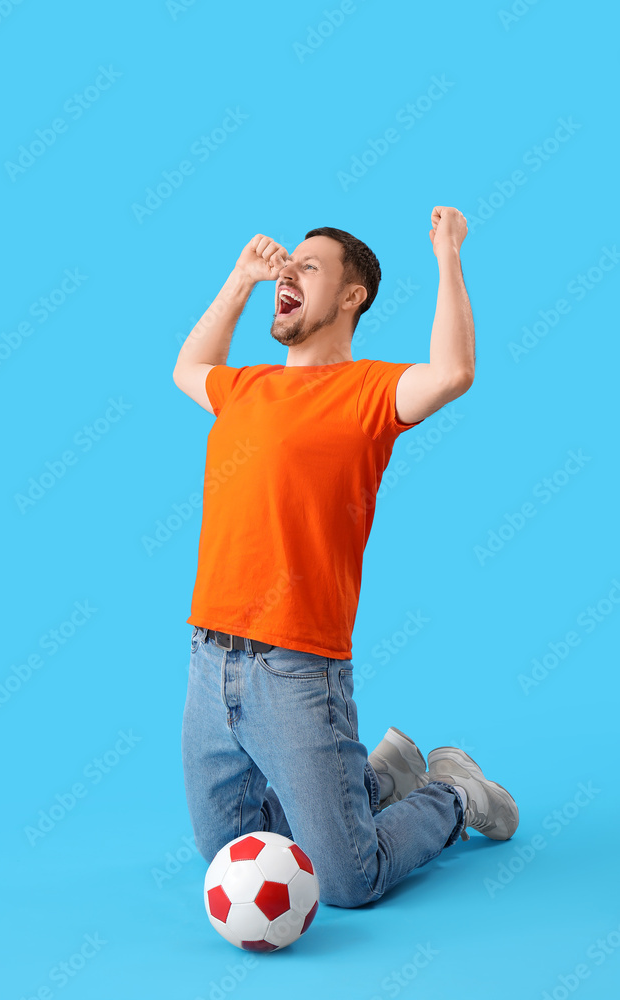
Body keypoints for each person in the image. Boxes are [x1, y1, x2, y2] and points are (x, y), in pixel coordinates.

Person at [172, 211, 519, 908]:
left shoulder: (368, 393)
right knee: (229, 852)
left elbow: (453, 372)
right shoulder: (244, 388)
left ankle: (452, 793)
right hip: (209, 663)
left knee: (347, 882)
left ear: (352, 295)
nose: (285, 275)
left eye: (307, 267)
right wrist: (240, 279)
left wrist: (447, 254)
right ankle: (373, 779)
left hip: (297, 669)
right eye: (283, 266)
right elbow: (188, 367)